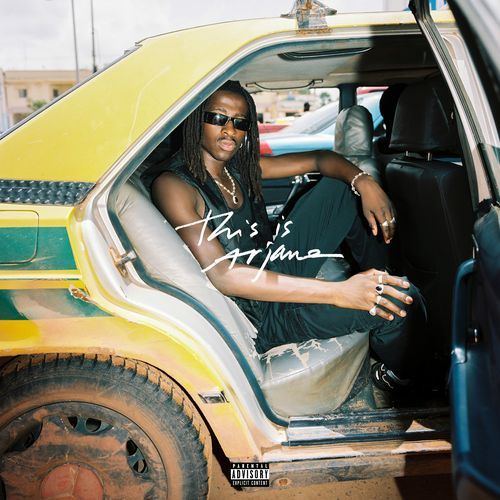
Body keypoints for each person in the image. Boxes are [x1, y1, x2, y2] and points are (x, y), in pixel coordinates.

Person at [150, 80, 426, 392]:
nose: (229, 131)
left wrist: (363, 181)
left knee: (340, 188)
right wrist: (339, 292)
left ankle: (378, 274)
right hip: (258, 315)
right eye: (217, 118)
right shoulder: (174, 186)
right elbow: (224, 276)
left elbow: (321, 159)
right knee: (403, 300)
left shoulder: (238, 169)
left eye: (240, 122)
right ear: (195, 121)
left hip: (271, 266)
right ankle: (401, 378)